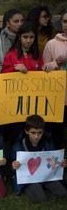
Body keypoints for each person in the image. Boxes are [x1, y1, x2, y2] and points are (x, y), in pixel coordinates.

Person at [11, 114, 67, 202]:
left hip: (46, 176)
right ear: (26, 131)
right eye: (33, 133)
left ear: (43, 131)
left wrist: (61, 163)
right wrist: (13, 166)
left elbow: (54, 159)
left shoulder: (48, 143)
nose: (36, 136)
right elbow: (13, 169)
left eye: (39, 133)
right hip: (29, 178)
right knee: (41, 198)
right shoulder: (18, 146)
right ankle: (32, 187)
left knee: (63, 193)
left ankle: (42, 185)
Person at [42, 10, 67, 149]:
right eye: (65, 21)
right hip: (57, 98)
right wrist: (56, 63)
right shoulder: (51, 44)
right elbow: (44, 69)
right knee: (57, 133)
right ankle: (57, 164)